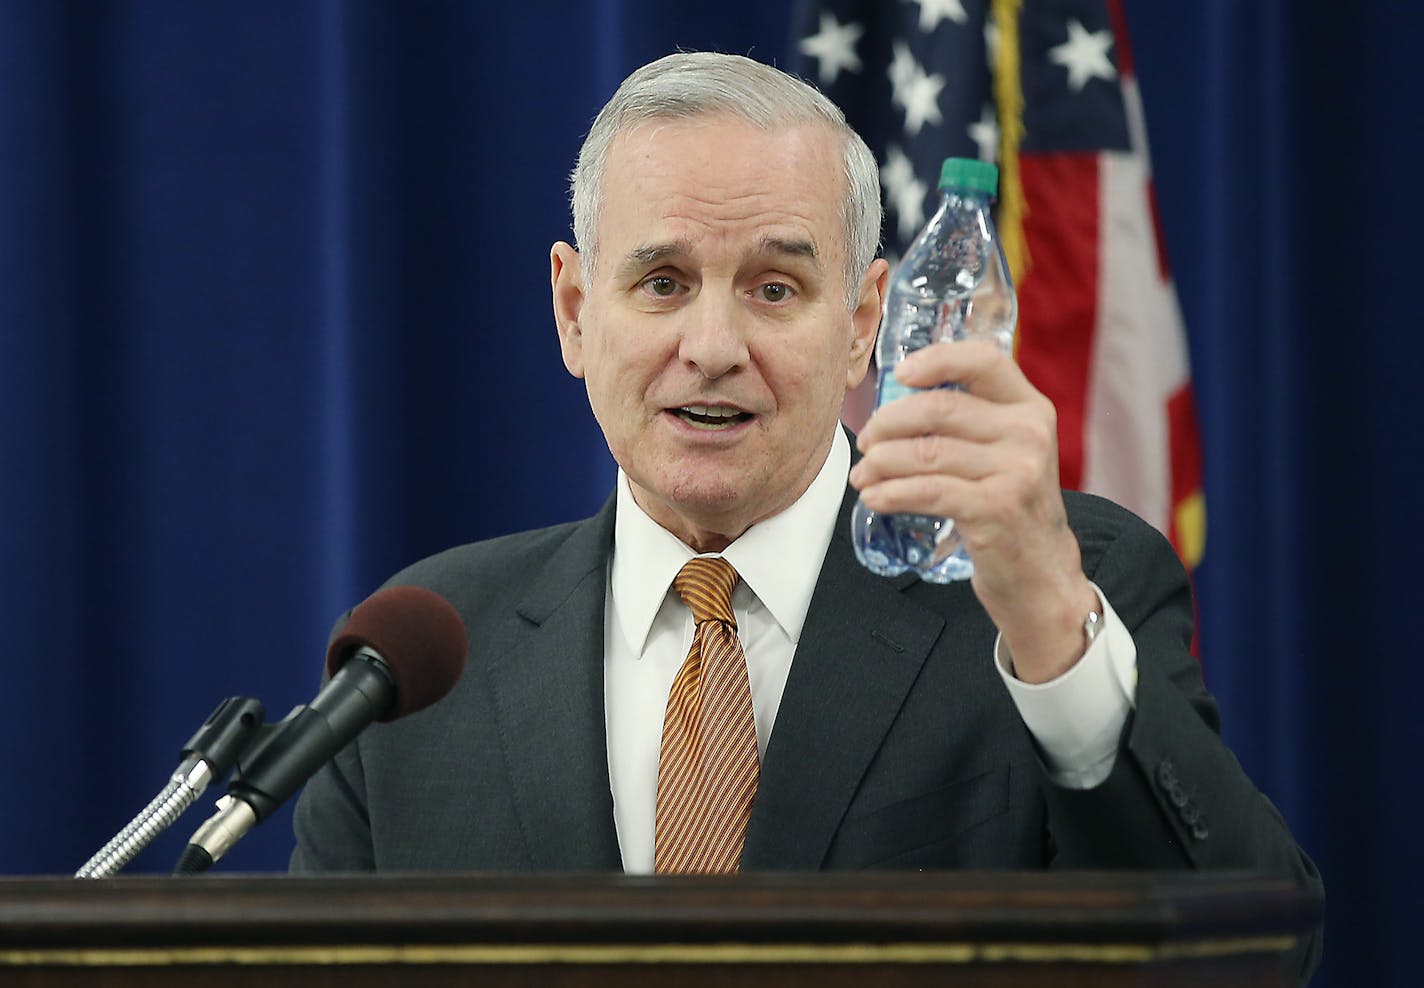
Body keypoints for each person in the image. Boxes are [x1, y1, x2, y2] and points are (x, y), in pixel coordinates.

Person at [291, 49, 1319, 971]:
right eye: (659, 281)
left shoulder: (1061, 583)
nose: (710, 345)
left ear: (865, 319)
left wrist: (1051, 625)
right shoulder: (414, 663)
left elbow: (1249, 958)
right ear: (573, 310)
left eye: (774, 288)